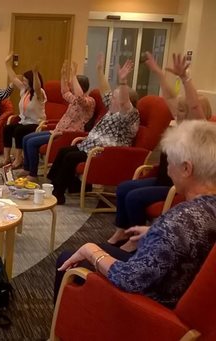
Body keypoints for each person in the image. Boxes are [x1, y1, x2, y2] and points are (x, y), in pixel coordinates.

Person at [55, 120, 216, 308]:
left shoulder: (178, 222)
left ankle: (68, 329)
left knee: (69, 257)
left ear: (186, 169)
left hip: (153, 306)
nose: (168, 170)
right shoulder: (200, 212)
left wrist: (91, 252)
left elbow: (129, 278)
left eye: (170, 161)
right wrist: (155, 234)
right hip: (188, 291)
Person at [108, 52, 213, 246]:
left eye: (183, 111)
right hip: (163, 177)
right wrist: (158, 72)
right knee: (123, 188)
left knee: (134, 197)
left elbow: (195, 106)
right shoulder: (180, 124)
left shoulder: (199, 131)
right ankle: (121, 231)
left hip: (175, 186)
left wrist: (185, 78)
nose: (178, 113)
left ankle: (136, 241)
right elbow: (170, 97)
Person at [47, 57, 139, 205]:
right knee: (64, 151)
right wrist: (99, 71)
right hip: (89, 147)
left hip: (104, 153)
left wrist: (123, 82)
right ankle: (56, 184)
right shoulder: (113, 109)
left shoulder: (129, 115)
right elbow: (105, 90)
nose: (111, 99)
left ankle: (58, 193)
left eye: (115, 98)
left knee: (70, 157)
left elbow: (124, 103)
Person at [19, 61, 96, 179]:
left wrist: (74, 74)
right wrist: (63, 75)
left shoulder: (89, 102)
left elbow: (80, 97)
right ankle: (27, 168)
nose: (70, 86)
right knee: (26, 138)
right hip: (57, 130)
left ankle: (33, 174)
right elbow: (65, 92)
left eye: (73, 84)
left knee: (31, 143)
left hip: (66, 134)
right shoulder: (74, 99)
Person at [0, 56, 46, 168]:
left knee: (19, 131)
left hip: (36, 123)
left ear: (30, 81)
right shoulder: (24, 90)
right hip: (24, 122)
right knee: (7, 128)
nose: (23, 82)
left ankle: (18, 158)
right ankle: (6, 158)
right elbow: (13, 78)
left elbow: (37, 87)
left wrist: (35, 74)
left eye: (25, 80)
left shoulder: (39, 94)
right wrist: (7, 64)